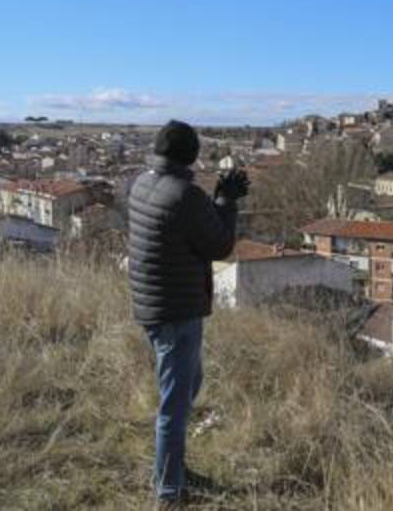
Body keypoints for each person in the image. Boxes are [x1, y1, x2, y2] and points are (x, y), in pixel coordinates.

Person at [126, 120, 249, 504]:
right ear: (190, 155)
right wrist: (226, 202)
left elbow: (181, 231)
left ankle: (171, 465)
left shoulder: (142, 184)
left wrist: (213, 202)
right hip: (176, 309)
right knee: (174, 406)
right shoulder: (186, 195)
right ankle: (168, 491)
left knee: (188, 382)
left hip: (153, 303)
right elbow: (220, 245)